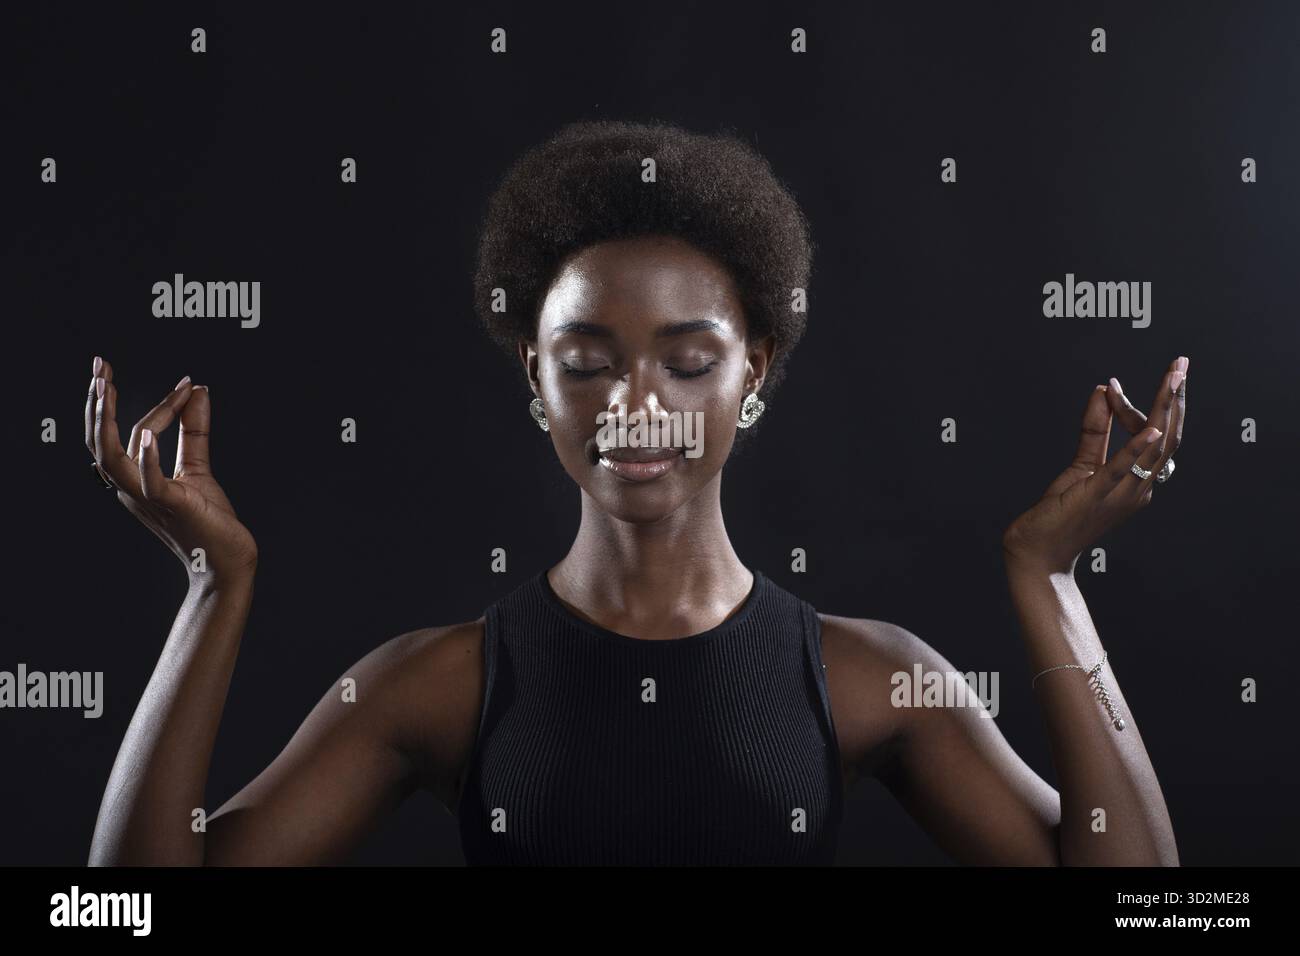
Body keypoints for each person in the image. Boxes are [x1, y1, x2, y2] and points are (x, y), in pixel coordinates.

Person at [86, 120, 1182, 865]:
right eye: (589, 358)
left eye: (689, 360)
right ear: (535, 376)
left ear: (753, 370)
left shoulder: (870, 677)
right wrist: (210, 582)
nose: (637, 402)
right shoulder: (434, 684)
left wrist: (1050, 582)